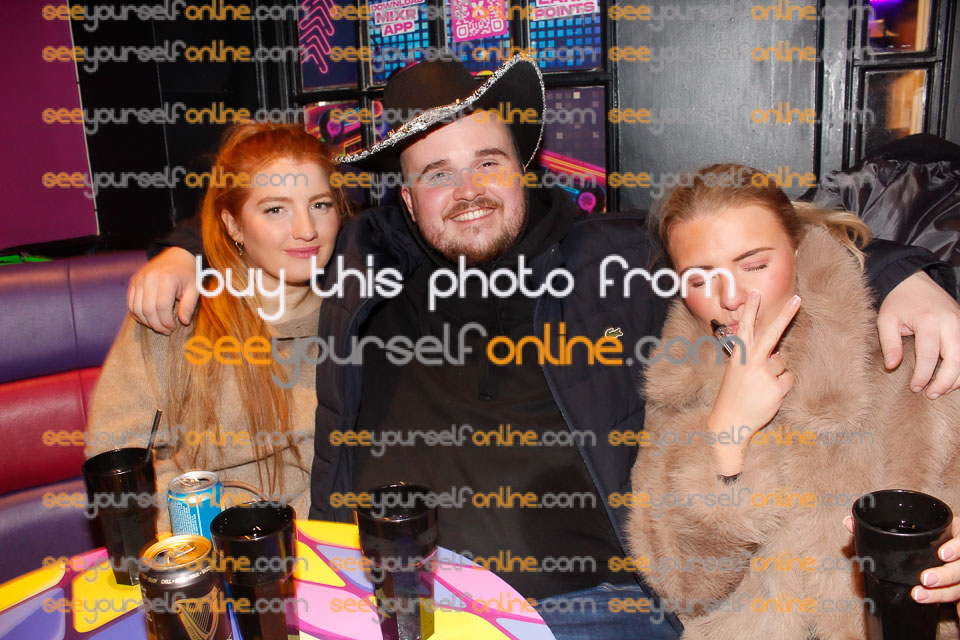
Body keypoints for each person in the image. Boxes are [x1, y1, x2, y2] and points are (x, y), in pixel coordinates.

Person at [125, 56, 960, 638]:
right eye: (436, 173)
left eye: (487, 162)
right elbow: (262, 222)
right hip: (381, 601)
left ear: (522, 167)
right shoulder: (362, 259)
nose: (467, 189)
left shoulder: (615, 255)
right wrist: (181, 250)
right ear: (406, 198)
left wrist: (904, 274)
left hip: (588, 607)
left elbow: (766, 236)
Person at [627, 163, 960, 639]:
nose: (731, 298)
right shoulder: (678, 384)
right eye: (699, 280)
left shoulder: (904, 346)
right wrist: (725, 439)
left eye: (754, 266)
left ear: (797, 250)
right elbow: (682, 587)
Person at [88, 123, 350, 529]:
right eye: (275, 209)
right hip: (202, 545)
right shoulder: (177, 315)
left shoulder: (355, 318)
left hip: (327, 546)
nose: (306, 230)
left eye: (320, 205)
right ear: (233, 225)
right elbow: (117, 458)